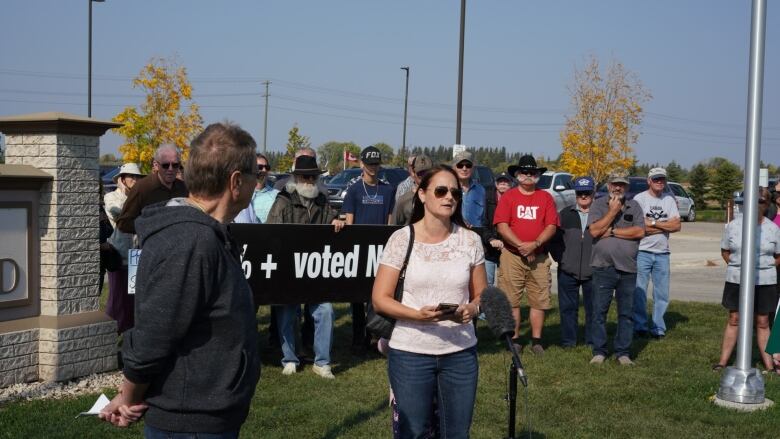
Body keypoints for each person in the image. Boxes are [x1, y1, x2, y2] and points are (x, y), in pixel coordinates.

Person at [99, 122, 262, 437]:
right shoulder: (191, 241)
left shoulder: (206, 235)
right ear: (237, 181)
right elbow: (153, 335)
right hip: (192, 424)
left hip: (205, 417)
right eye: (257, 175)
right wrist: (128, 397)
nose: (259, 183)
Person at [372, 164, 485, 438]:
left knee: (457, 434)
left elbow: (483, 294)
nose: (449, 198)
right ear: (422, 194)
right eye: (441, 191)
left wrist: (471, 308)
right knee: (415, 433)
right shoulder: (401, 239)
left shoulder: (470, 240)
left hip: (460, 354)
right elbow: (380, 299)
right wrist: (416, 315)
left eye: (455, 193)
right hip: (410, 353)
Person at [266, 155, 346, 378]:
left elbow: (334, 218)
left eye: (314, 176)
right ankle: (290, 358)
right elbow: (270, 232)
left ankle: (322, 362)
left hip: (315, 270)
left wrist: (336, 221)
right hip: (289, 271)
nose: (310, 180)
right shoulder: (283, 200)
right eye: (305, 176)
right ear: (296, 177)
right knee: (288, 313)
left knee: (326, 311)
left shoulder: (322, 200)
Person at [494, 155, 558, 354]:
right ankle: (515, 340)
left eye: (533, 172)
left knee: (539, 299)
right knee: (512, 299)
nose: (529, 176)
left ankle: (537, 340)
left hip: (538, 256)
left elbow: (551, 226)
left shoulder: (545, 197)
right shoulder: (509, 197)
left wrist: (535, 244)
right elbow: (502, 226)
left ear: (538, 175)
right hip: (512, 255)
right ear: (517, 175)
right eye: (525, 172)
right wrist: (522, 245)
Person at [714, 187, 780, 374]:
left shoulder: (773, 229)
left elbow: (778, 255)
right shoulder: (734, 226)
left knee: (762, 321)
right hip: (737, 279)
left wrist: (764, 267)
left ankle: (769, 366)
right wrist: (739, 267)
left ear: (767, 204)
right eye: (753, 201)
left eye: (761, 201)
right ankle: (722, 362)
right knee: (734, 318)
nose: (757, 205)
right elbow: (725, 251)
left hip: (765, 280)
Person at [588, 172, 646, 366]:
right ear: (609, 185)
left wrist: (611, 231)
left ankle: (623, 352)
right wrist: (612, 212)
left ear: (627, 187)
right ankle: (599, 351)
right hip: (603, 267)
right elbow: (594, 231)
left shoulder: (634, 206)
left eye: (622, 185)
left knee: (626, 313)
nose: (618, 188)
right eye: (615, 184)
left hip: (628, 268)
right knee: (599, 311)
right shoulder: (598, 205)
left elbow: (639, 231)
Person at [342, 145, 396, 350]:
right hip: (358, 250)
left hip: (381, 252)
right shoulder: (354, 190)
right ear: (362, 164)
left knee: (377, 296)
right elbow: (349, 221)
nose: (373, 167)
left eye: (376, 163)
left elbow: (390, 223)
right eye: (369, 163)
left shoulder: (388, 190)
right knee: (357, 296)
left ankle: (375, 336)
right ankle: (358, 337)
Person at [633, 167, 681, 340]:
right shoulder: (640, 199)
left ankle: (658, 327)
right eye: (656, 179)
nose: (659, 182)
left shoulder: (669, 199)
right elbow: (639, 226)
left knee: (661, 293)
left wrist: (652, 224)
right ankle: (640, 326)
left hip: (662, 253)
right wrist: (663, 224)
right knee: (639, 291)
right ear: (649, 181)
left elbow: (677, 226)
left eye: (662, 179)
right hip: (642, 251)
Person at [549, 176, 595, 348]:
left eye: (587, 193)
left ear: (593, 193)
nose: (584, 196)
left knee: (593, 309)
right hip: (568, 269)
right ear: (576, 194)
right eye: (580, 193)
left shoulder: (600, 214)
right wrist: (561, 258)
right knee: (568, 308)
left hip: (593, 270)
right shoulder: (565, 214)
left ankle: (591, 341)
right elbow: (554, 239)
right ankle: (569, 341)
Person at [103, 163, 145, 333]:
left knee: (133, 298)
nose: (134, 180)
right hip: (118, 256)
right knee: (117, 299)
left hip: (135, 254)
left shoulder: (139, 198)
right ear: (122, 179)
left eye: (137, 177)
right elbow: (119, 214)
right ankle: (111, 334)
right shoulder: (112, 197)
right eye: (130, 176)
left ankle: (129, 335)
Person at [116, 144, 189, 234]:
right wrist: (153, 226)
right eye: (165, 165)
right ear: (156, 165)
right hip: (153, 245)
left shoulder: (184, 188)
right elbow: (123, 223)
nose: (170, 169)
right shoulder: (142, 188)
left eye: (175, 165)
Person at [234, 153, 280, 225]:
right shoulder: (241, 195)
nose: (264, 170)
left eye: (267, 167)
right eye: (260, 167)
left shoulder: (276, 196)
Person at [391, 155, 433, 225]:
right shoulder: (404, 199)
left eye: (427, 172)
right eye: (420, 173)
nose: (424, 176)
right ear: (413, 172)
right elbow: (394, 226)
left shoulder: (439, 195)